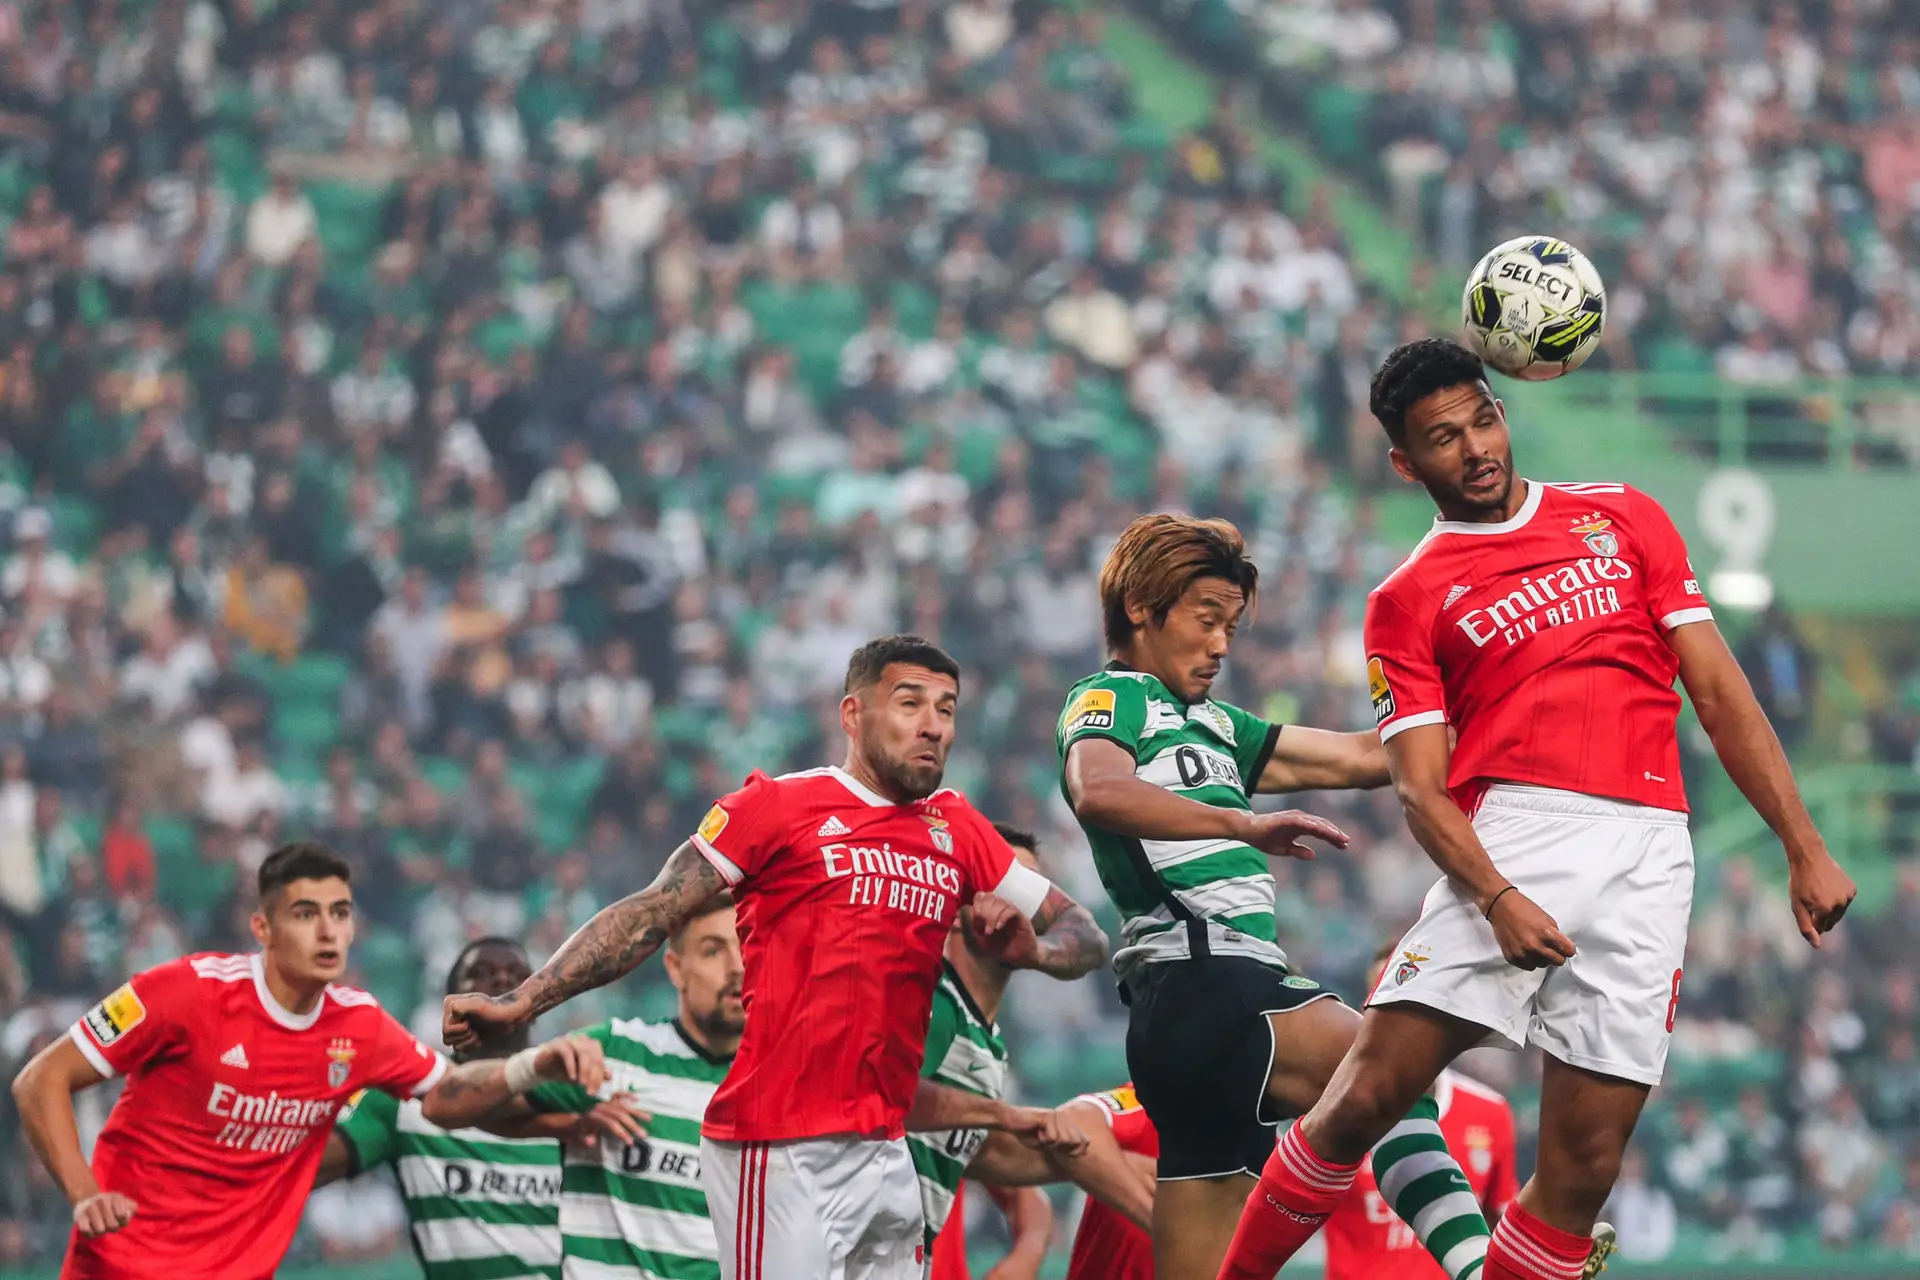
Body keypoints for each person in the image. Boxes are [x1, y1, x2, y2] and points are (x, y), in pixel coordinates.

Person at [1237, 338, 1858, 1280]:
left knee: (1582, 1169)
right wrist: (1493, 895)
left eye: (1484, 417)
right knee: (1366, 1095)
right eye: (1444, 438)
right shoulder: (1407, 598)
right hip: (1517, 834)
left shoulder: (1625, 517)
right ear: (1406, 463)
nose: (1477, 447)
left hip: (1655, 850)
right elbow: (1417, 785)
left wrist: (1802, 846)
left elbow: (1722, 696)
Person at [444, 635, 1110, 1280]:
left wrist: (1041, 953)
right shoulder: (780, 806)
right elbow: (652, 911)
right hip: (781, 1147)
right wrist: (522, 1001)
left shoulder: (957, 827)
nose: (933, 725)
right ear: (854, 714)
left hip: (886, 1148)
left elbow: (1084, 933)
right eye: (911, 704)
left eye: (946, 709)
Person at [1056, 513, 1496, 1280]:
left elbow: (1367, 758)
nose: (1223, 643)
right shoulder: (1109, 699)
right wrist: (1240, 822)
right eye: (1206, 619)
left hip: (1187, 1031)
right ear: (1140, 608)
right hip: (1207, 980)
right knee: (1386, 1071)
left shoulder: (1222, 726)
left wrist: (1499, 696)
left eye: (1230, 624)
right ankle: (1479, 1266)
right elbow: (1098, 790)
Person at [10, 842, 608, 1279]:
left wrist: (538, 1074)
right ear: (263, 927)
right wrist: (85, 1192)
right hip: (122, 1268)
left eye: (340, 913)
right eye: (306, 913)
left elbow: (451, 1099)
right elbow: (41, 1079)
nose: (328, 932)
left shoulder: (362, 1026)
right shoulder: (182, 990)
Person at [314, 936, 639, 1279]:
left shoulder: (577, 1088)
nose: (502, 980)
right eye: (482, 973)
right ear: (450, 1003)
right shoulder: (405, 1097)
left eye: (518, 973)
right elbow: (307, 1167)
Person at [915, 825, 1156, 1279]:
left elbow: (990, 1154)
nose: (1016, 907)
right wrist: (1004, 1115)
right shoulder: (929, 997)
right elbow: (887, 1098)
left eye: (1027, 891)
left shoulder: (985, 1039)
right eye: (999, 886)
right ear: (953, 906)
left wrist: (1031, 1242)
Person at [520, 892, 747, 1280]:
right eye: (713, 951)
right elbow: (458, 1106)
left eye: (747, 947)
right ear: (675, 969)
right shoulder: (611, 1055)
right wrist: (562, 1117)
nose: (738, 967)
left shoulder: (789, 1083)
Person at [1323, 943, 1520, 1280]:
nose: (1400, 1020)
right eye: (1386, 1004)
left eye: (1413, 1003)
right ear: (1366, 1013)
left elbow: (1500, 1225)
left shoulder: (1491, 1113)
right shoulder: (1334, 1108)